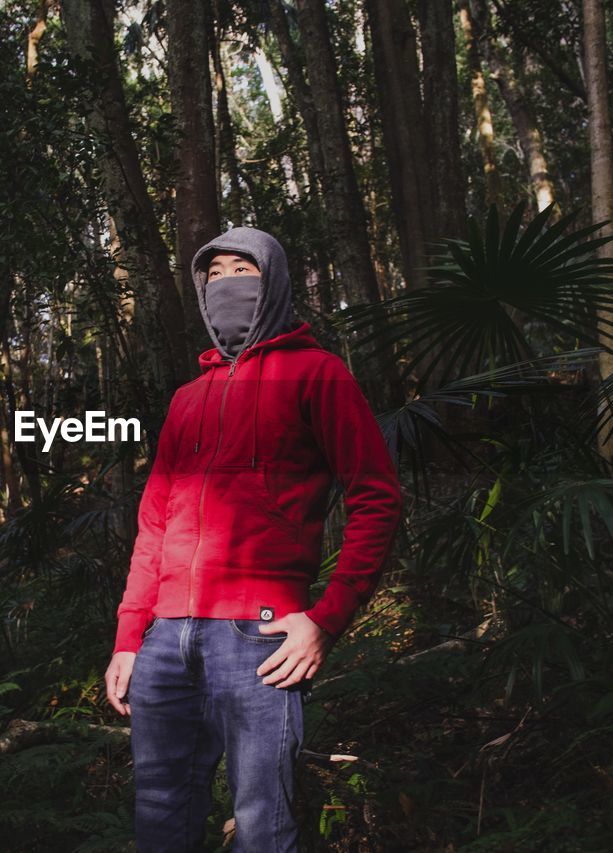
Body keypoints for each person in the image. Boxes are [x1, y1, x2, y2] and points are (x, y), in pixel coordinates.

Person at [104, 226, 403, 852]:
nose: (226, 284)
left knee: (264, 826)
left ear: (274, 283)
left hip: (258, 638)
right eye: (214, 275)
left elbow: (377, 498)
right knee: (160, 820)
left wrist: (326, 618)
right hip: (164, 641)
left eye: (243, 269)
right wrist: (131, 638)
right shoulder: (186, 398)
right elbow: (153, 526)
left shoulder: (317, 374)